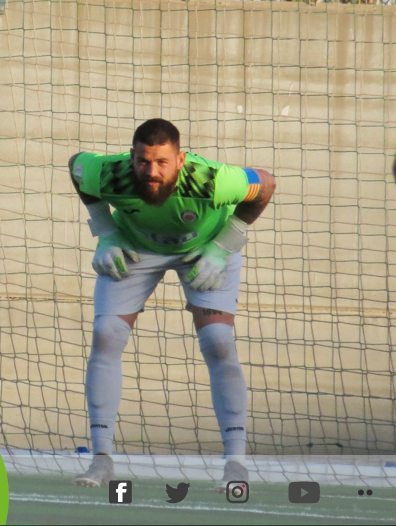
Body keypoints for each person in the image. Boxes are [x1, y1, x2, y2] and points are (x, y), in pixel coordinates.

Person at [68, 119, 275, 492]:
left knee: (218, 341)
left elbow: (266, 183)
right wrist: (105, 230)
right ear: (131, 158)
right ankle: (101, 459)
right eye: (144, 161)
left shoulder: (212, 180)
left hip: (207, 249)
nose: (152, 171)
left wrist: (226, 244)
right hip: (136, 248)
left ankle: (236, 464)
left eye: (162, 162)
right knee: (105, 334)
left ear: (180, 160)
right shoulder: (110, 174)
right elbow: (76, 166)